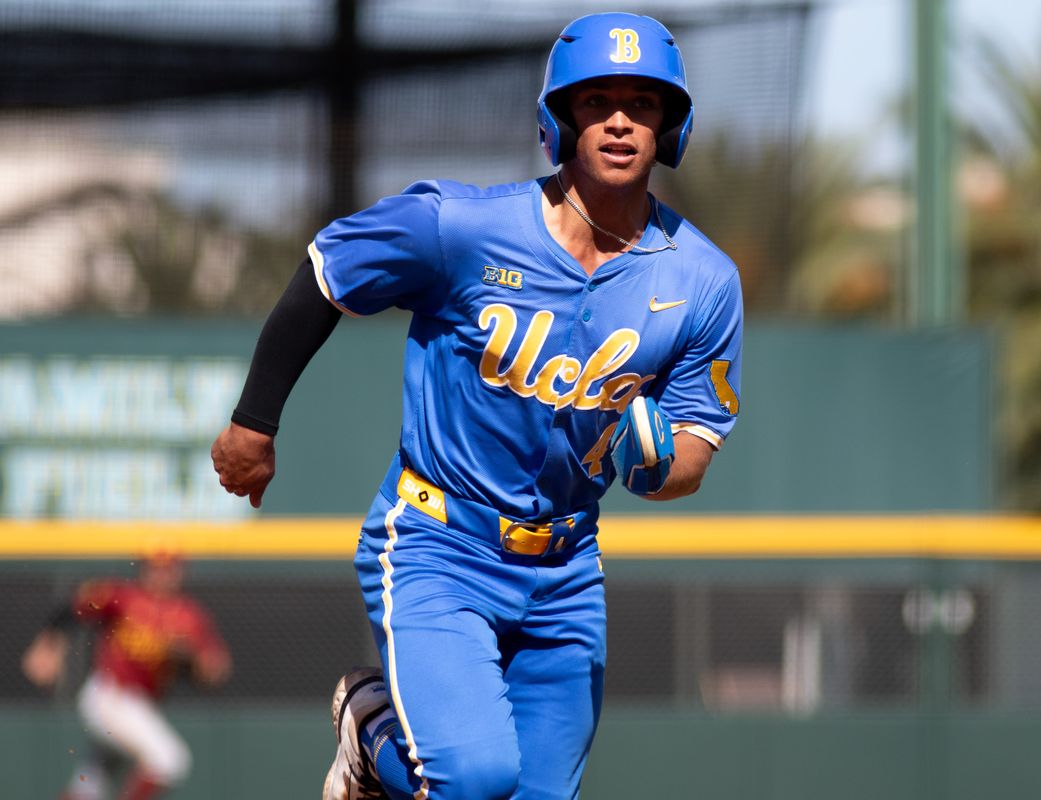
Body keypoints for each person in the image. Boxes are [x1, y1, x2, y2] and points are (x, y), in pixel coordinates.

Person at [210, 11, 742, 799]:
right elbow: (328, 269)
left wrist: (657, 467)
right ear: (561, 117)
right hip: (437, 542)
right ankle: (369, 725)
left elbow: (693, 453)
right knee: (474, 781)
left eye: (644, 102)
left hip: (566, 567)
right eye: (597, 100)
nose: (622, 120)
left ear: (671, 124)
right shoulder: (463, 228)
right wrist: (255, 420)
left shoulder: (702, 280)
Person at [21, 553, 232, 800]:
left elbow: (210, 670)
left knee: (89, 788)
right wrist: (49, 643)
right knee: (169, 759)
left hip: (141, 705)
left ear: (181, 571)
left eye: (169, 569)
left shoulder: (189, 615)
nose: (161, 575)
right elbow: (75, 606)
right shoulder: (124, 596)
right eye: (155, 568)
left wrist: (200, 664)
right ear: (143, 569)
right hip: (111, 697)